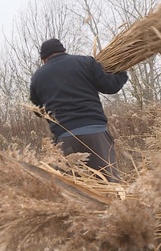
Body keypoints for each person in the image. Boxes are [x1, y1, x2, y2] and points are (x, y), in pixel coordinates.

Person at [29, 38, 128, 183]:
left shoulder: (38, 77)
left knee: (74, 191)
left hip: (65, 138)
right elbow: (110, 86)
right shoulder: (86, 62)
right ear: (63, 51)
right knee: (109, 184)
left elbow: (36, 109)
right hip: (96, 133)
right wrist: (122, 72)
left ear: (43, 59)